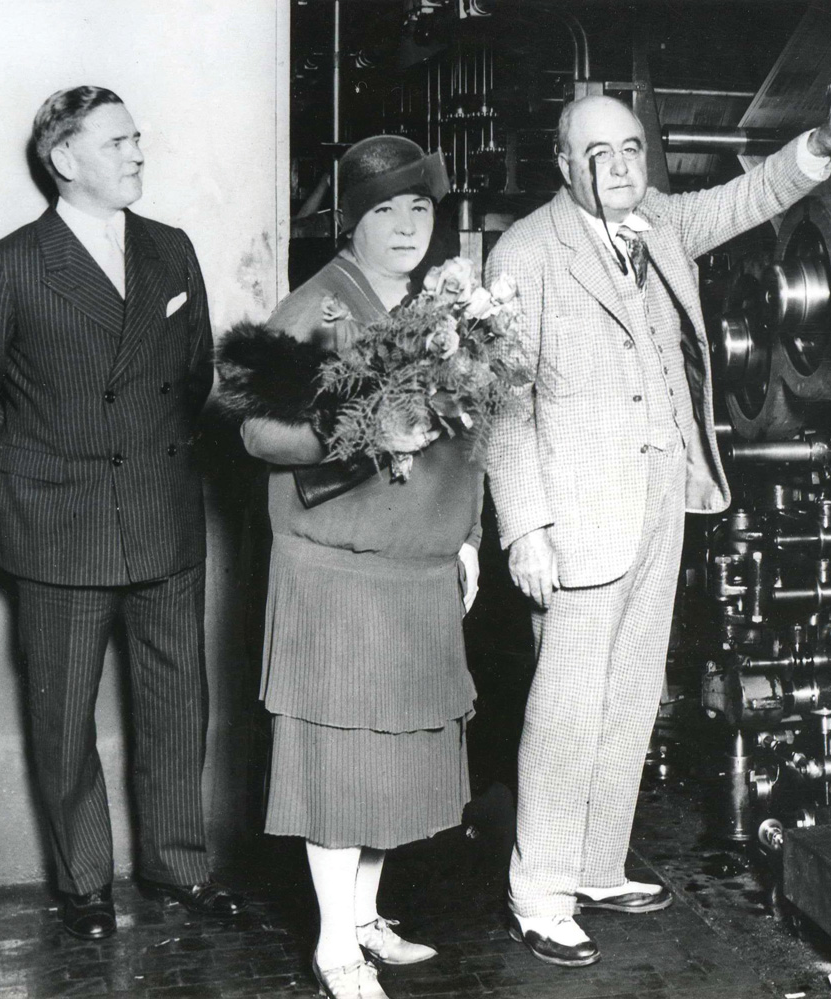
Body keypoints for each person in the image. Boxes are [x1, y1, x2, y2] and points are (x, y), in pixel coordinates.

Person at [484, 68, 831, 967]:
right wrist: (524, 528)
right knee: (565, 706)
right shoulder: (527, 254)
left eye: (630, 149)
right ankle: (538, 889)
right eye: (598, 153)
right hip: (576, 511)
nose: (619, 167)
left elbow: (749, 197)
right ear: (564, 163)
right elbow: (503, 407)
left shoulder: (659, 220)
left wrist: (821, 142)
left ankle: (595, 864)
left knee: (630, 694)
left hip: (664, 492)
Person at [0, 87, 244, 940]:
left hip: (161, 514)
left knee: (176, 704)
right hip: (60, 527)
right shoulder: (8, 265)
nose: (137, 153)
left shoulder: (170, 250)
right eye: (118, 141)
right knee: (62, 711)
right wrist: (39, 479)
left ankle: (177, 867)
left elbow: (195, 378)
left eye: (138, 137)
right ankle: (85, 884)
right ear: (64, 158)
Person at [235, 136, 482, 999]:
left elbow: (464, 443)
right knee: (338, 766)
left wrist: (465, 535)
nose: (409, 225)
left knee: (390, 766)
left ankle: (367, 916)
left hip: (413, 576)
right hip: (338, 580)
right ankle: (334, 943)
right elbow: (253, 431)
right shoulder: (316, 308)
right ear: (352, 220)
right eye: (386, 209)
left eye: (421, 207)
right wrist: (361, 437)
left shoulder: (433, 310)